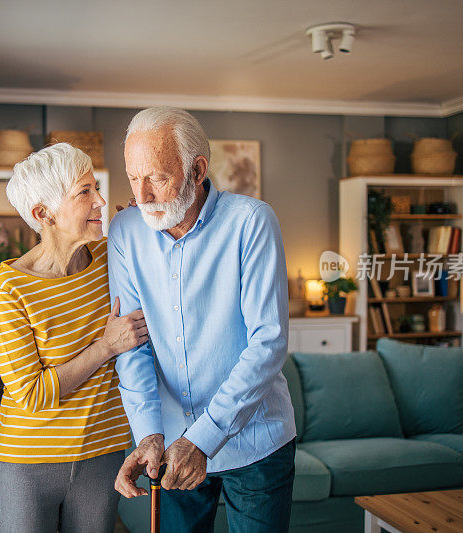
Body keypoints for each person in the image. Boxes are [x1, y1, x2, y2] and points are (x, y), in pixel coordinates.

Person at [109, 107, 296, 532]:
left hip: (257, 443)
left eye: (156, 177)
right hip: (171, 444)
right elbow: (132, 341)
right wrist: (148, 433)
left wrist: (202, 438)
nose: (142, 196)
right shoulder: (124, 231)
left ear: (197, 170)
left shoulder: (251, 222)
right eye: (132, 178)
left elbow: (268, 343)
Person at [0, 143, 148, 533]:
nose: (101, 200)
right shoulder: (8, 286)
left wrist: (142, 227)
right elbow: (31, 394)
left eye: (96, 187)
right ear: (44, 214)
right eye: (84, 192)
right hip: (26, 467)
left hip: (102, 459)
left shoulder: (113, 256)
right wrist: (106, 346)